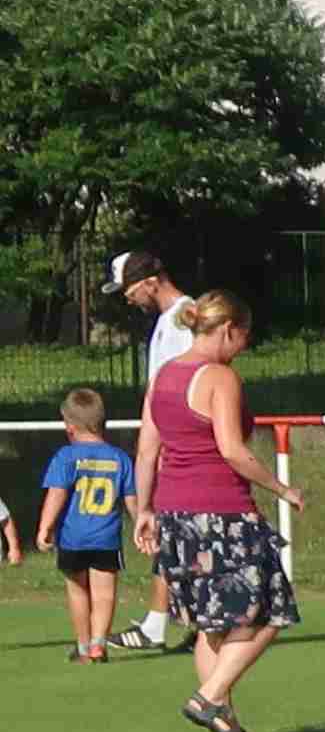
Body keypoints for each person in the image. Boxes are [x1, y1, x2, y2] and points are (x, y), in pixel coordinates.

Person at [142, 292, 298, 732]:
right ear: (229, 329)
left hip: (174, 515)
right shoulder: (219, 377)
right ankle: (208, 699)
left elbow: (147, 449)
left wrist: (144, 510)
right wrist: (282, 488)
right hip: (222, 513)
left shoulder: (163, 375)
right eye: (245, 337)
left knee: (211, 625)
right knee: (271, 611)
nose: (244, 346)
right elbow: (231, 449)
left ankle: (223, 725)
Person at [108, 252, 191, 648]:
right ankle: (187, 623)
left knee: (180, 533)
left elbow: (184, 386)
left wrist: (161, 444)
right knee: (175, 534)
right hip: (172, 444)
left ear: (150, 281)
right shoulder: (166, 321)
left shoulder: (184, 318)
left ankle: (168, 624)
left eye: (129, 290)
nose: (128, 299)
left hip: (183, 447)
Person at [38, 387, 132, 662]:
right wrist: (142, 525)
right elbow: (132, 498)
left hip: (73, 538)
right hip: (107, 538)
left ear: (69, 426)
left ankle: (82, 646)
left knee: (78, 591)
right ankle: (98, 644)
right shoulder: (120, 457)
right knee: (104, 594)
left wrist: (45, 527)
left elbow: (57, 494)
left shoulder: (66, 456)